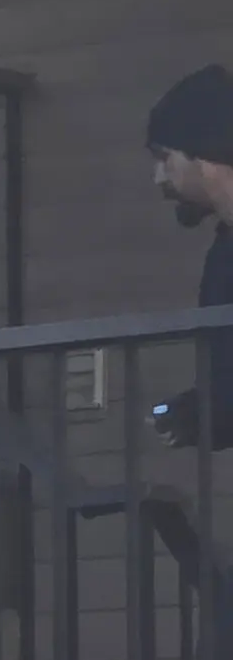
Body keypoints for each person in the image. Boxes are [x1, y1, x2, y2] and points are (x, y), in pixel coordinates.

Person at [146, 63, 233, 448]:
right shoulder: (223, 255)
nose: (159, 178)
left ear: (205, 155)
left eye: (165, 158)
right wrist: (193, 414)